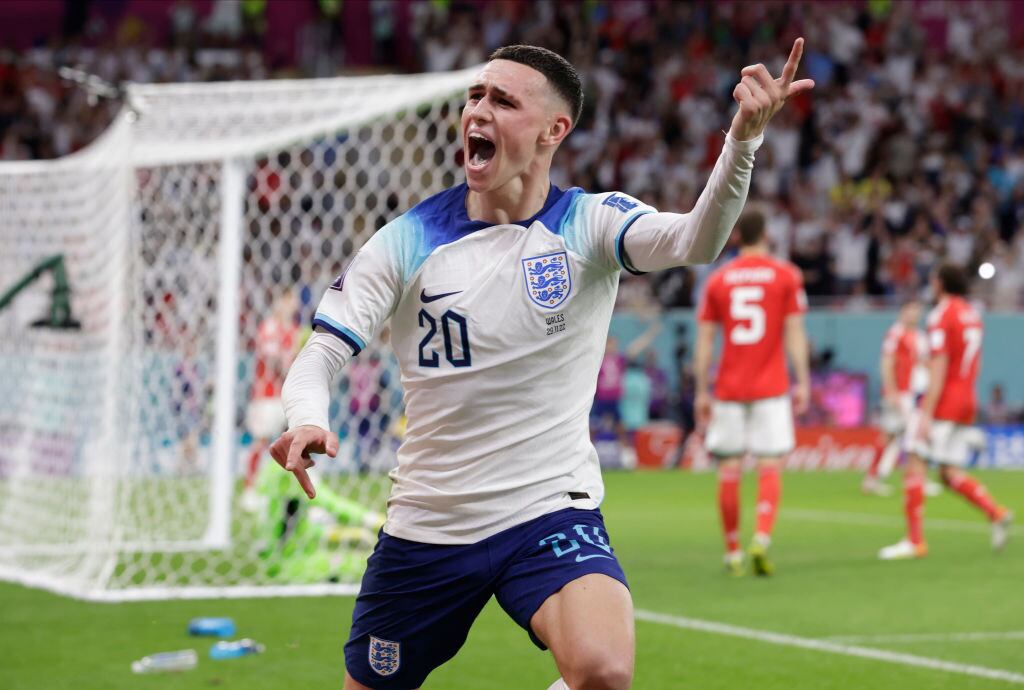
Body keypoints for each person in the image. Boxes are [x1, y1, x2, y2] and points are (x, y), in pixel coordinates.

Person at [272, 42, 813, 690]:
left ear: (555, 130)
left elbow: (693, 238)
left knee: (603, 671)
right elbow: (322, 353)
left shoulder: (588, 223)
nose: (478, 109)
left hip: (549, 507)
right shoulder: (406, 241)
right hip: (431, 521)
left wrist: (742, 142)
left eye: (503, 100)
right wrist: (305, 418)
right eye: (476, 95)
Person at [694, 208, 811, 577]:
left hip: (729, 387)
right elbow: (794, 332)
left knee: (729, 467)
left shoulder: (718, 280)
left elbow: (705, 341)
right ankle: (760, 538)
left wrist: (701, 389)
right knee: (769, 464)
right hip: (771, 386)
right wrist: (804, 380)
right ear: (767, 235)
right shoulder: (786, 275)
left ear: (736, 236)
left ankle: (732, 552)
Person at [880, 264, 1013, 560]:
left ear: (940, 283)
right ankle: (996, 512)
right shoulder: (972, 314)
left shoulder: (942, 314)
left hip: (944, 401)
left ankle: (915, 542)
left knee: (915, 462)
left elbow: (940, 365)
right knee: (948, 472)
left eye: (933, 279)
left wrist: (926, 413)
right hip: (967, 400)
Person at [241, 290, 301, 511]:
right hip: (267, 394)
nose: (292, 305)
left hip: (289, 395)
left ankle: (293, 489)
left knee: (296, 442)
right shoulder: (269, 328)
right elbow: (273, 362)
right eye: (288, 300)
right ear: (279, 301)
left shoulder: (295, 331)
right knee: (262, 441)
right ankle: (250, 489)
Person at [862, 298, 923, 497]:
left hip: (909, 393)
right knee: (912, 433)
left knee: (892, 435)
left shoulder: (915, 336)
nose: (915, 314)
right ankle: (914, 478)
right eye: (911, 309)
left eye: (917, 310)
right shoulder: (895, 334)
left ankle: (874, 477)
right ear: (903, 311)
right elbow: (886, 362)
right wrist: (891, 391)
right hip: (899, 393)